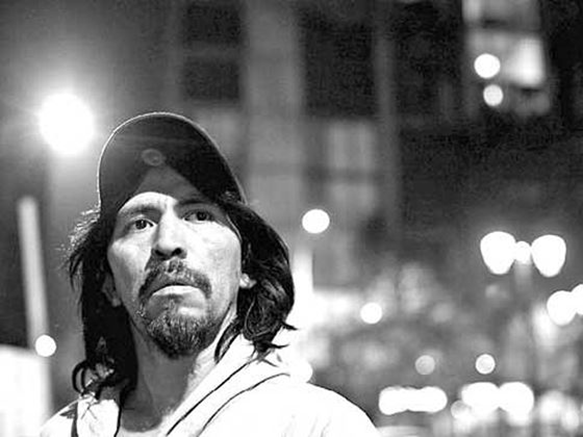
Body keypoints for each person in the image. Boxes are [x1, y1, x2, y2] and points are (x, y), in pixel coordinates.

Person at [41, 112, 379, 436]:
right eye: (140, 223)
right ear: (109, 282)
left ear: (247, 267)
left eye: (199, 215)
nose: (167, 242)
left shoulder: (321, 428)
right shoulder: (60, 433)